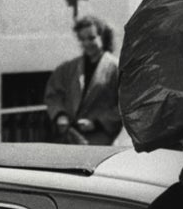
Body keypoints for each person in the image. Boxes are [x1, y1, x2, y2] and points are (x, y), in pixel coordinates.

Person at [43, 11, 123, 144]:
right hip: (71, 137)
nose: (87, 43)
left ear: (102, 37)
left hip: (101, 140)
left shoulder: (116, 68)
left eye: (91, 38)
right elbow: (53, 94)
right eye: (82, 39)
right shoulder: (69, 67)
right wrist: (60, 115)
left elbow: (126, 105)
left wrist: (97, 123)